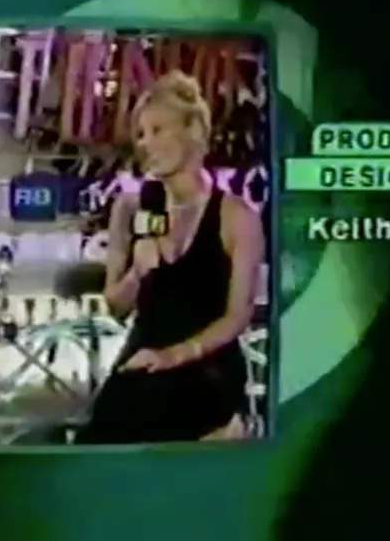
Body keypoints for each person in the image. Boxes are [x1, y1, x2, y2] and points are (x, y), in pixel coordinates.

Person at [77, 71, 265, 443]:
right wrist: (136, 272)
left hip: (205, 366)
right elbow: (115, 306)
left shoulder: (236, 217)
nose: (146, 143)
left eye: (157, 130)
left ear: (193, 130)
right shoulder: (130, 208)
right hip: (141, 363)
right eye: (140, 134)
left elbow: (237, 316)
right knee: (107, 427)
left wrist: (173, 357)